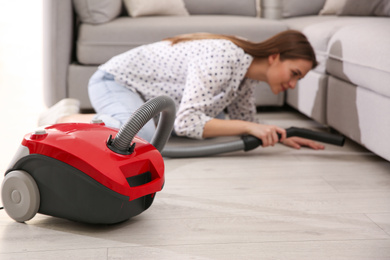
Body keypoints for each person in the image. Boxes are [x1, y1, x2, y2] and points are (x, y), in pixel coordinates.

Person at [39, 30, 324, 150]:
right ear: (274, 55)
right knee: (143, 137)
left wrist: (280, 135)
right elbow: (187, 122)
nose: (292, 84)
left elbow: (247, 122)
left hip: (149, 101)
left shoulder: (246, 74)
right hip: (115, 81)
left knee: (224, 123)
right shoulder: (224, 58)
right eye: (294, 74)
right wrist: (250, 128)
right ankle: (64, 118)